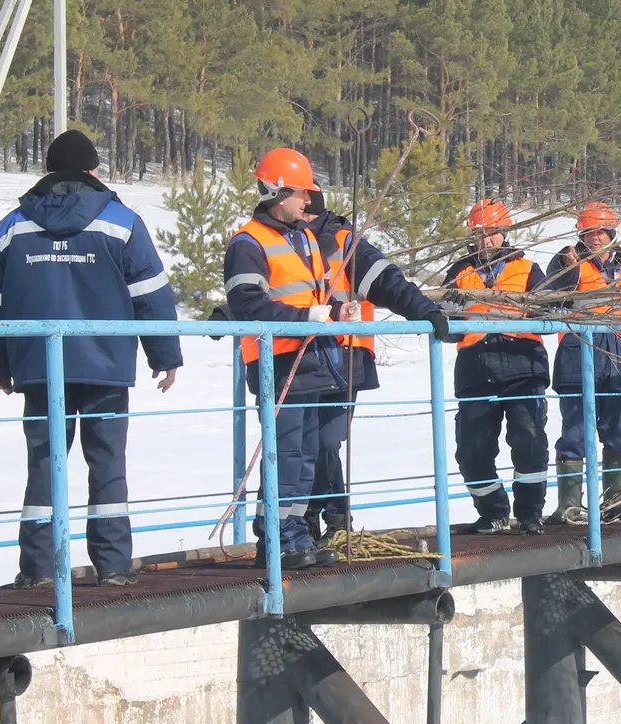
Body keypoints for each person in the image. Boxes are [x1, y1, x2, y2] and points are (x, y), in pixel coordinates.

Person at [0, 129, 182, 589]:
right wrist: (165, 354)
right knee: (108, 462)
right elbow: (150, 294)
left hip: (37, 367)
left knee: (45, 463)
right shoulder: (122, 222)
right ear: (92, 170)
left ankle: (38, 569)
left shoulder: (13, 226)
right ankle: (112, 567)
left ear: (49, 170)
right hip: (106, 364)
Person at [304, 189, 457, 542]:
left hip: (345, 357)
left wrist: (425, 310)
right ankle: (314, 518)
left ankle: (334, 516)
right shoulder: (286, 242)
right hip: (297, 358)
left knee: (325, 441)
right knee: (302, 445)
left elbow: (389, 282)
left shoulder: (344, 242)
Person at [223, 148, 350, 571]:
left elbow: (315, 295)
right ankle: (277, 540)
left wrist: (332, 311)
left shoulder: (307, 238)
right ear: (278, 191)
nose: (308, 202)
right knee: (287, 456)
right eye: (301, 193)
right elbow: (247, 305)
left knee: (306, 455)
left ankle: (294, 536)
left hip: (313, 361)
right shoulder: (248, 243)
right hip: (277, 363)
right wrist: (305, 317)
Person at [543, 202, 621, 524]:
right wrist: (567, 269)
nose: (595, 238)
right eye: (589, 232)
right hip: (578, 358)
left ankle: (614, 504)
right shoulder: (569, 261)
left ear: (611, 232)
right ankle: (568, 506)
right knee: (575, 434)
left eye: (600, 231)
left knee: (618, 434)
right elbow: (548, 296)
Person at [440, 199, 551, 535]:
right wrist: (450, 310)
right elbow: (443, 324)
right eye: (479, 234)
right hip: (476, 370)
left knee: (530, 443)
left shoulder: (529, 269)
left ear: (505, 233)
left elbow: (549, 312)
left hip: (523, 366)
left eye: (492, 233)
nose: (485, 240)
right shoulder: (459, 272)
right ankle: (493, 512)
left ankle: (530, 513)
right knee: (472, 451)